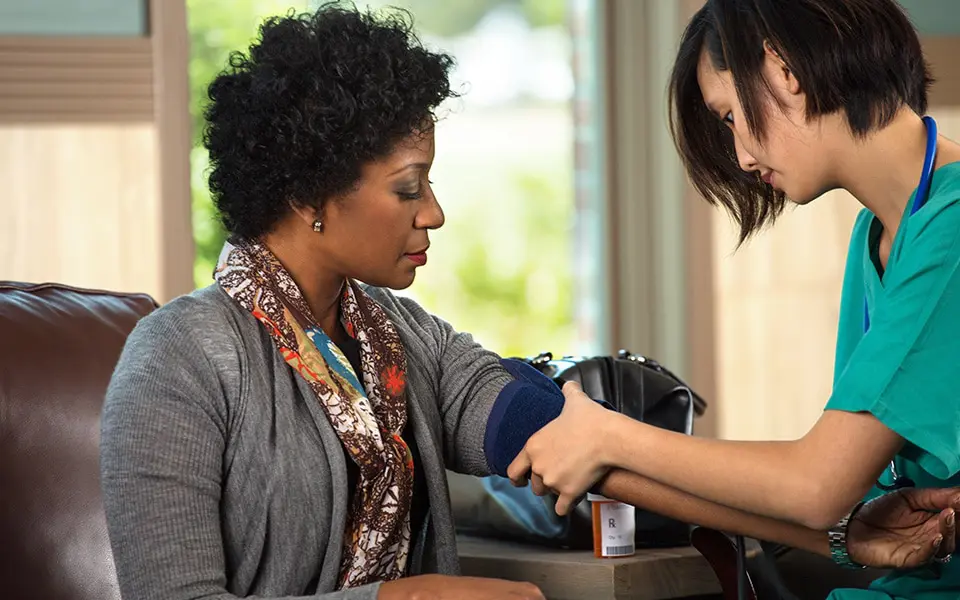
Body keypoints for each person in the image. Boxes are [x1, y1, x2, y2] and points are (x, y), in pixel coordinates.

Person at [100, 3, 960, 600]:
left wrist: (837, 537)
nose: (434, 212)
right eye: (409, 188)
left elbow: (587, 453)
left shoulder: (403, 342)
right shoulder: (179, 358)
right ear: (310, 193)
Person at [508, 0, 960, 598]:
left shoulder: (949, 231)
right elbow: (845, 498)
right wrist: (606, 458)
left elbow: (818, 484)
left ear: (782, 70)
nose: (743, 158)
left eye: (728, 116)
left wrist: (614, 437)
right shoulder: (875, 238)